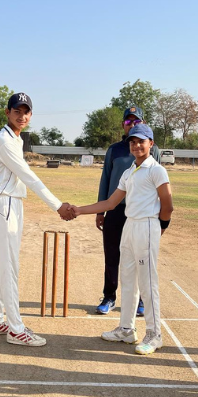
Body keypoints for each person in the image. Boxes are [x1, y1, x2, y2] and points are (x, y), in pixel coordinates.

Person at [68, 124, 174, 355]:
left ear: (151, 144)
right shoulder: (129, 172)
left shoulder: (156, 170)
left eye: (141, 142)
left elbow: (167, 206)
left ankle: (154, 334)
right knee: (127, 279)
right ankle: (126, 328)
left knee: (147, 282)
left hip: (147, 225)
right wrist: (79, 210)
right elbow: (110, 203)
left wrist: (160, 227)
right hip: (130, 225)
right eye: (133, 142)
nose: (136, 146)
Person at [0, 92, 74, 347]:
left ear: (31, 115)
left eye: (26, 112)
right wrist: (58, 205)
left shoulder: (15, 138)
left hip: (12, 204)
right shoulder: (4, 140)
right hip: (4, 205)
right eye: (17, 111)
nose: (22, 116)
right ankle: (15, 329)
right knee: (9, 268)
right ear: (7, 112)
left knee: (3, 266)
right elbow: (29, 176)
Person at [93, 106, 159, 316]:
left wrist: (159, 217)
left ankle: (141, 300)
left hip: (140, 213)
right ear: (123, 124)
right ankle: (109, 297)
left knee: (140, 257)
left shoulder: (152, 149)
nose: (132, 125)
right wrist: (100, 211)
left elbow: (158, 184)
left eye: (136, 121)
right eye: (128, 122)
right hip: (115, 210)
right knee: (112, 255)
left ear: (143, 123)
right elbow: (105, 179)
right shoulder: (114, 150)